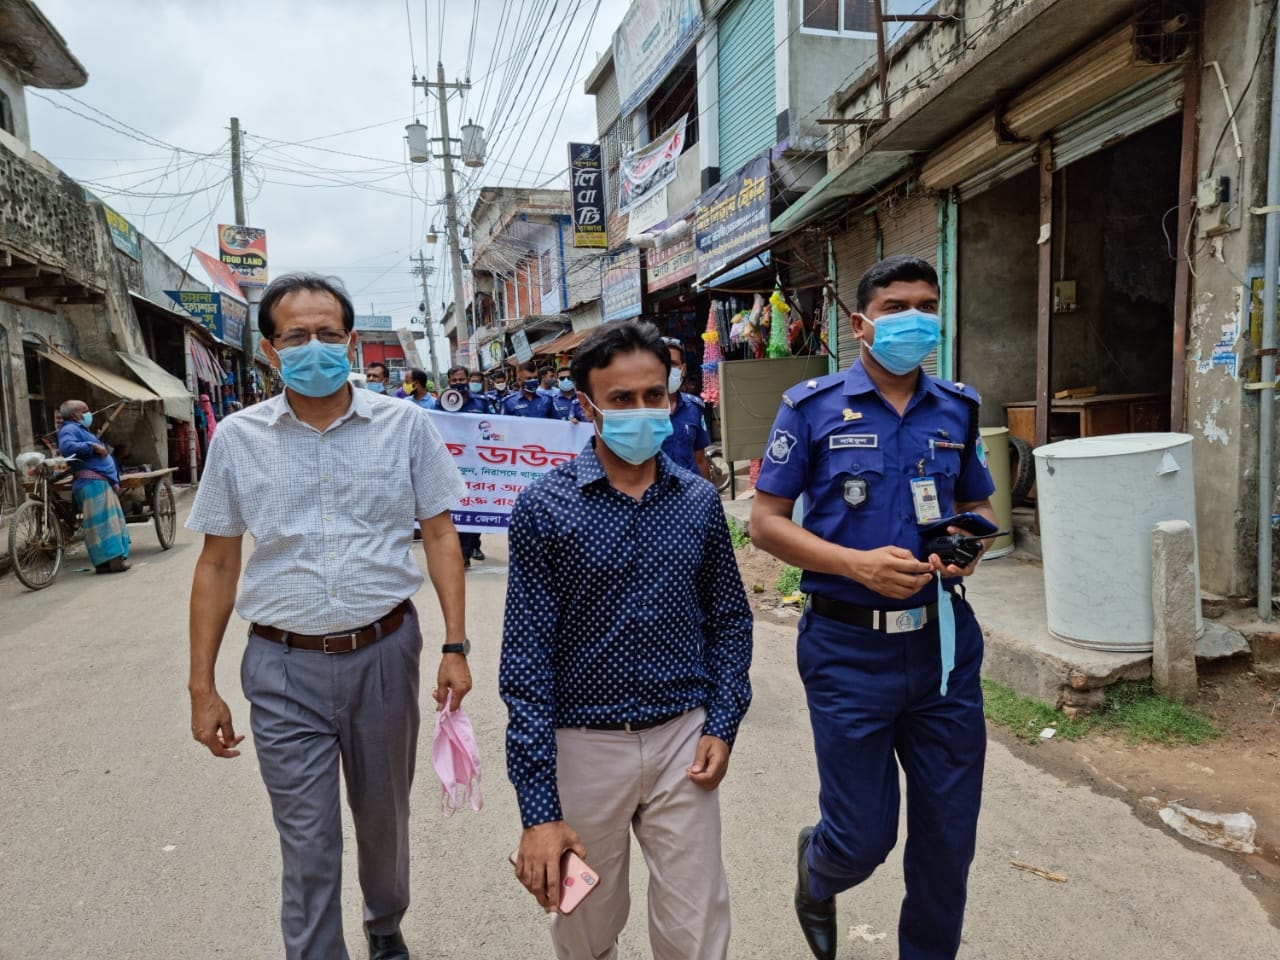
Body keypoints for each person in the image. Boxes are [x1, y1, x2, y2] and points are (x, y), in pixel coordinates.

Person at [185, 273, 472, 960]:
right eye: (296, 336)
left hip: (385, 652)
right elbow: (218, 563)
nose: (314, 347)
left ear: (351, 339)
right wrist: (201, 685)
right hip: (282, 667)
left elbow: (439, 535)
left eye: (328, 333)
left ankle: (384, 926)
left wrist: (454, 644)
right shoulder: (236, 438)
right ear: (269, 348)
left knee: (383, 821)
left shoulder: (404, 425)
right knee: (307, 840)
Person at [748, 256, 997, 960]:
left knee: (949, 839)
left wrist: (966, 544)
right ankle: (819, 867)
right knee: (861, 839)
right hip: (847, 650)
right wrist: (854, 564)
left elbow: (977, 501)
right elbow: (765, 521)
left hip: (945, 649)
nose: (913, 318)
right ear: (861, 324)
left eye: (926, 303)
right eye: (895, 306)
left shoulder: (958, 405)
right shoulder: (811, 406)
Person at [501, 320, 754, 960]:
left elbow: (728, 620)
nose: (642, 411)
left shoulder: (697, 501)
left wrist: (721, 724)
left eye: (654, 395)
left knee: (697, 928)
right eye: (621, 400)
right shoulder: (544, 509)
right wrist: (538, 811)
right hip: (582, 745)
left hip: (681, 743)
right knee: (583, 926)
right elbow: (525, 664)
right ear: (587, 408)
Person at [55, 400, 130, 574]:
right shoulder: (69, 429)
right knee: (106, 523)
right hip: (92, 483)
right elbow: (66, 447)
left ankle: (104, 564)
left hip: (97, 482)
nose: (89, 414)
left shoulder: (79, 429)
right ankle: (114, 562)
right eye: (86, 410)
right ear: (74, 415)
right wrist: (92, 446)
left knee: (100, 524)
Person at [438, 365, 486, 566]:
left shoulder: (482, 403)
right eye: (454, 381)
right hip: (450, 463)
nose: (458, 384)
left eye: (461, 380)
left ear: (468, 379)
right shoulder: (439, 405)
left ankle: (466, 551)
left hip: (476, 464)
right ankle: (458, 549)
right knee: (453, 507)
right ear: (449, 382)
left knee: (471, 506)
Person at [659, 337, 711, 480]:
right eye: (662, 363)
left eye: (673, 364)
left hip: (690, 493)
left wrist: (709, 495)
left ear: (683, 369)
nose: (668, 369)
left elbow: (700, 459)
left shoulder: (694, 408)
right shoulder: (642, 411)